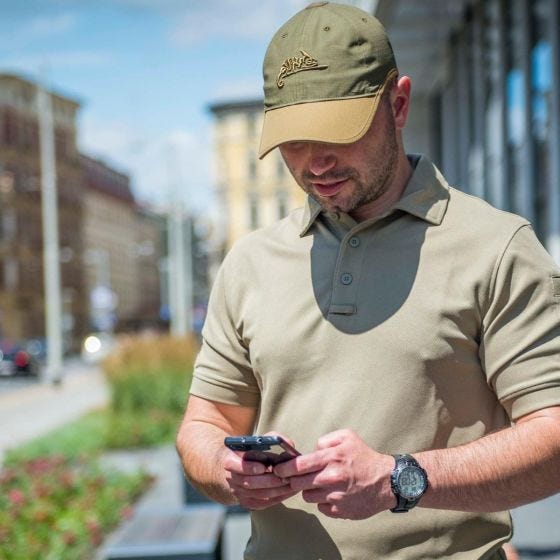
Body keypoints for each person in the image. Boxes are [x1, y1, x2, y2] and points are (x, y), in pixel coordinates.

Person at [176, 2, 560, 559]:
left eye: (337, 132)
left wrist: (401, 479)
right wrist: (225, 468)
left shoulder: (496, 248)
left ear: (398, 104)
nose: (315, 163)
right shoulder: (250, 263)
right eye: (293, 140)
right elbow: (204, 424)